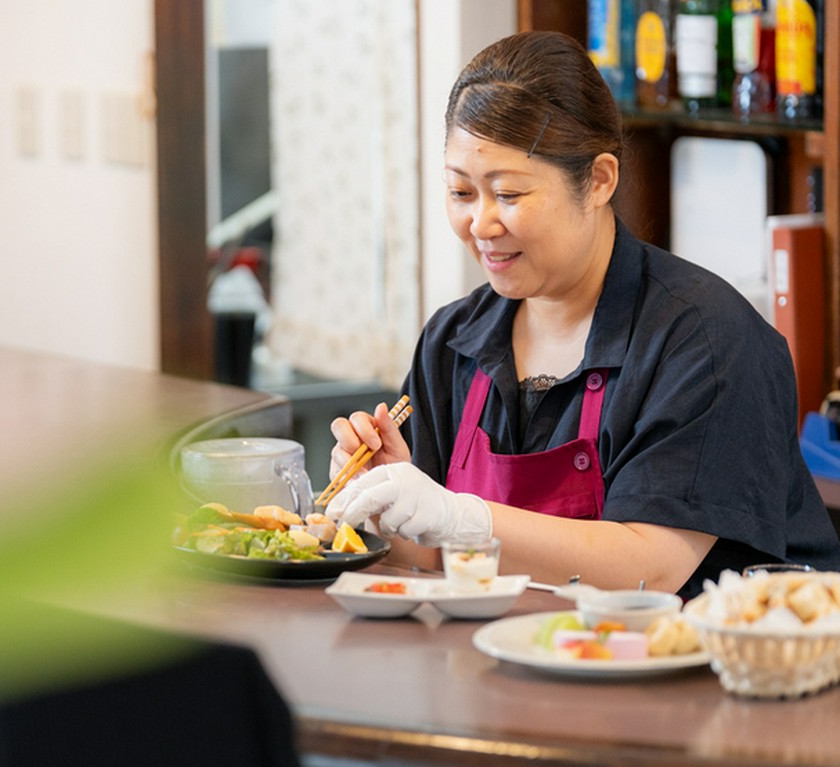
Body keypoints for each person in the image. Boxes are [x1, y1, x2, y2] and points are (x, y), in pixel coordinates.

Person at [323, 30, 840, 600]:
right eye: (462, 193)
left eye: (510, 194)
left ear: (598, 181)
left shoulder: (705, 340)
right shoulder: (454, 341)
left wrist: (459, 515)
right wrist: (387, 509)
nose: (482, 224)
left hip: (698, 673)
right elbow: (439, 557)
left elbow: (652, 566)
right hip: (510, 665)